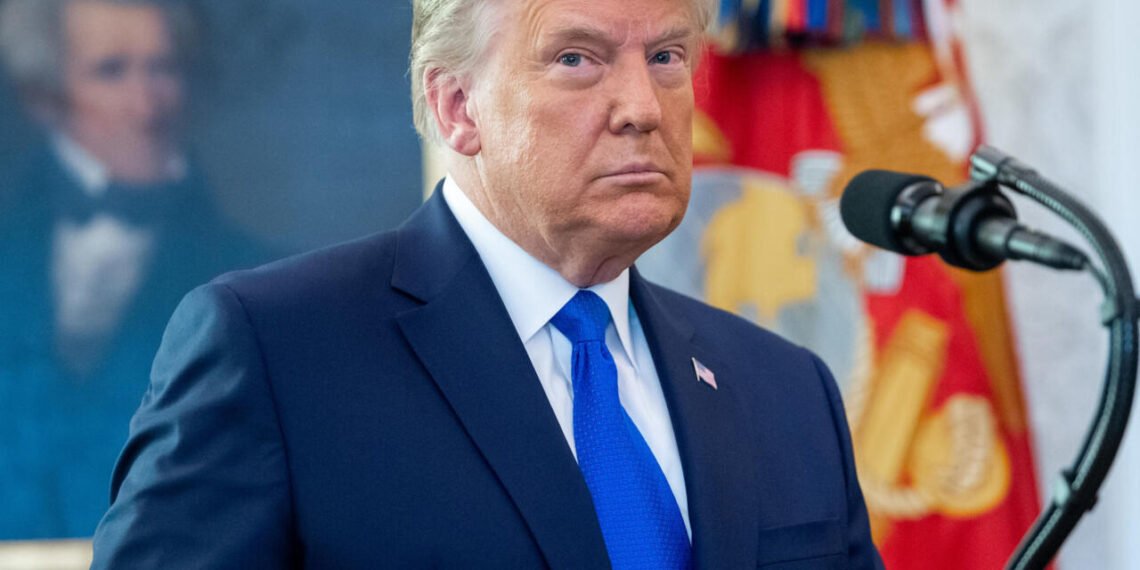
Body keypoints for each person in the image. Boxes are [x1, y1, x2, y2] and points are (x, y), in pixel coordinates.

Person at [92, 0, 883, 567]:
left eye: (667, 58)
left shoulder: (788, 391)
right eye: (577, 59)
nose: (643, 107)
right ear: (457, 105)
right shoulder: (275, 352)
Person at [0, 0, 269, 538]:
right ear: (42, 96)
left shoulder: (262, 279)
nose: (147, 104)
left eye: (162, 69)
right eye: (111, 71)